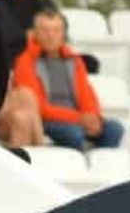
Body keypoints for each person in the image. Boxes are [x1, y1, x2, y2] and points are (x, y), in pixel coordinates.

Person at [13, 8, 123, 150]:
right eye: (45, 30)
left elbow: (87, 95)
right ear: (35, 33)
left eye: (56, 30)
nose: (51, 35)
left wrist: (93, 117)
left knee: (114, 129)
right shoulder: (25, 61)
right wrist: (79, 118)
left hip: (77, 119)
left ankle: (99, 162)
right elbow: (37, 107)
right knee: (73, 134)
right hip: (46, 120)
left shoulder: (74, 60)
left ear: (63, 34)